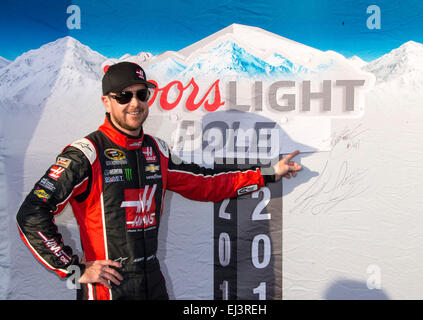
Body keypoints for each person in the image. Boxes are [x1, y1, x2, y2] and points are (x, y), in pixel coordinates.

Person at [16, 62, 302, 300]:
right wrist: (74, 269)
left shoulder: (157, 150)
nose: (135, 103)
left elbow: (205, 183)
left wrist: (267, 173)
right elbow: (31, 214)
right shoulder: (86, 154)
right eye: (123, 96)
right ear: (106, 101)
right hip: (107, 288)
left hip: (152, 281)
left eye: (142, 94)